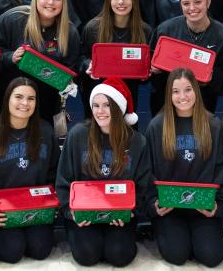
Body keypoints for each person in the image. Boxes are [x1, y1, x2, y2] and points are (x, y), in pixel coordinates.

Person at [55, 78, 151, 267]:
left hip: (119, 215)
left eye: (107, 105)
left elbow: (143, 185)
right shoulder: (78, 135)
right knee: (87, 255)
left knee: (119, 256)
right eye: (96, 105)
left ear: (119, 107)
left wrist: (130, 211)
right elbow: (63, 180)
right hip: (83, 215)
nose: (100, 111)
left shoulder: (137, 141)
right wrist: (71, 212)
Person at [145, 68, 223, 267]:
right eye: (175, 91)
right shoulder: (157, 126)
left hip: (203, 207)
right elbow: (147, 170)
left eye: (188, 90)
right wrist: (153, 205)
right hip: (170, 209)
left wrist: (219, 206)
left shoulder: (214, 125)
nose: (182, 96)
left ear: (196, 92)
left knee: (211, 257)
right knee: (177, 255)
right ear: (169, 94)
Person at [0, 77, 60, 263]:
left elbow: (55, 172)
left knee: (40, 250)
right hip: (2, 210)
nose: (24, 103)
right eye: (19, 97)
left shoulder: (45, 131)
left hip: (36, 207)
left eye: (31, 98)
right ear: (8, 100)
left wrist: (52, 201)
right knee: (12, 251)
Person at [0, 0, 80, 122]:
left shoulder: (70, 32)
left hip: (48, 107)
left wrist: (68, 81)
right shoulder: (13, 19)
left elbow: (72, 69)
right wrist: (10, 57)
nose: (50, 3)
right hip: (9, 103)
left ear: (64, 2)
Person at [149, 0, 223, 114]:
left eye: (198, 2)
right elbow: (148, 69)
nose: (192, 8)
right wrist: (153, 69)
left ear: (208, 2)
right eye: (186, 4)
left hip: (203, 109)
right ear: (181, 5)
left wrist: (209, 78)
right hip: (165, 107)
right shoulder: (165, 30)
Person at [79, 0, 152, 121]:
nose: (120, 2)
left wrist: (146, 74)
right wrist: (89, 65)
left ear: (134, 1)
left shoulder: (145, 31)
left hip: (129, 102)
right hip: (97, 99)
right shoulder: (93, 28)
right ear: (108, 1)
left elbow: (146, 73)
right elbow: (81, 58)